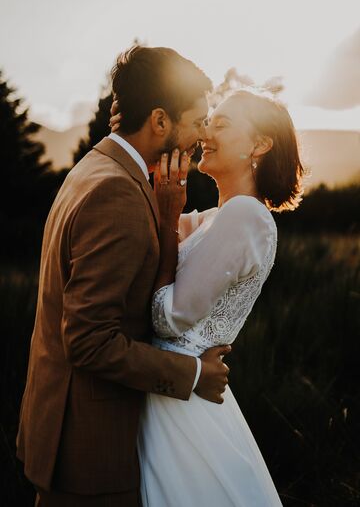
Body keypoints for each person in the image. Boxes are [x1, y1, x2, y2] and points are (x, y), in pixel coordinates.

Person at [16, 46, 231, 507]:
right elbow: (89, 340)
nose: (200, 135)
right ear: (159, 120)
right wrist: (193, 374)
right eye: (195, 121)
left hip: (66, 435)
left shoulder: (96, 168)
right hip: (89, 452)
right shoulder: (116, 194)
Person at [112, 89, 304, 506]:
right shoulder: (217, 217)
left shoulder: (246, 216)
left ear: (259, 144)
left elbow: (169, 318)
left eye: (222, 124)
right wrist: (132, 138)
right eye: (207, 122)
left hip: (180, 408)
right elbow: (150, 230)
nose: (206, 133)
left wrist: (166, 219)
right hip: (172, 390)